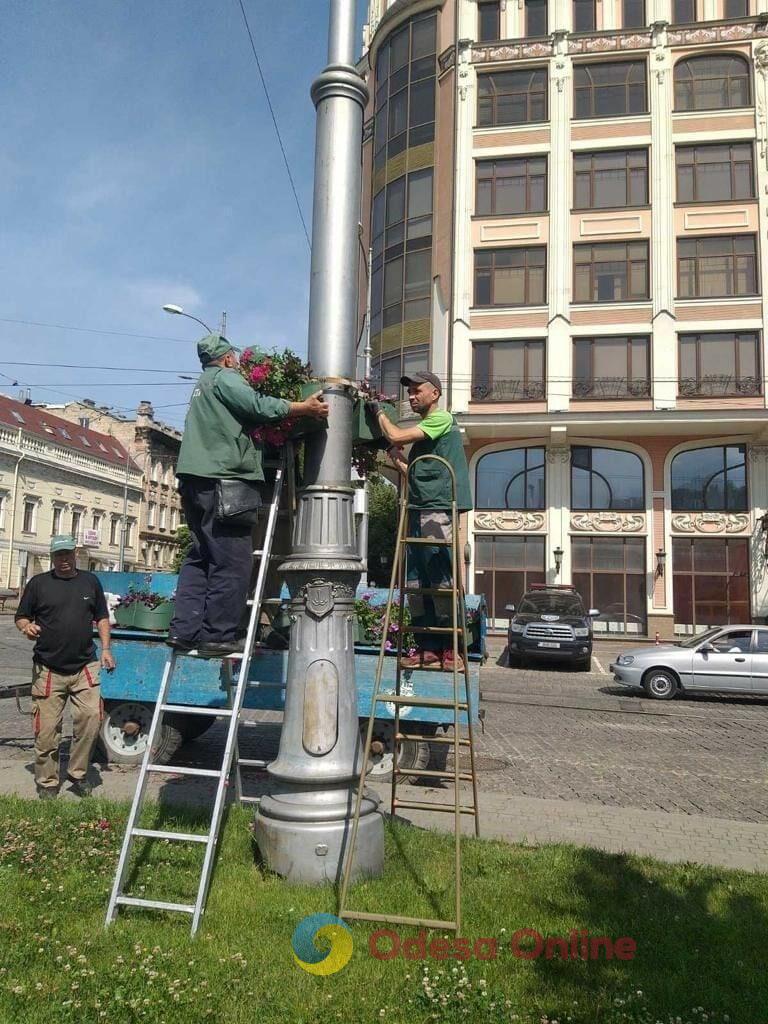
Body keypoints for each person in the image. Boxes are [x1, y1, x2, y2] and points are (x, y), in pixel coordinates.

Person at [169, 333, 328, 656]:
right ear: (227, 358)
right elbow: (256, 405)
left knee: (200, 557)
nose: (239, 363)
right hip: (223, 481)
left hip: (194, 481)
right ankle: (218, 635)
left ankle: (184, 631)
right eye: (235, 358)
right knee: (232, 562)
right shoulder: (225, 379)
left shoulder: (201, 386)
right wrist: (303, 407)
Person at [367, 371, 472, 669]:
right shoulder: (428, 438)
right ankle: (427, 647)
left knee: (439, 576)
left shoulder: (442, 420)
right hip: (418, 507)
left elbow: (398, 435)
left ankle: (451, 650)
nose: (411, 396)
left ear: (435, 394)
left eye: (417, 391)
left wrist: (378, 414)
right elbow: (409, 470)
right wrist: (388, 451)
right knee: (416, 578)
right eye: (409, 392)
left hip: (438, 508)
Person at [15, 535, 116, 799]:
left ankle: (78, 773)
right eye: (58, 555)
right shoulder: (39, 584)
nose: (63, 560)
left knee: (91, 720)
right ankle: (47, 782)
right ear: (52, 557)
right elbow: (21, 616)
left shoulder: (90, 581)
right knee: (47, 732)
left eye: (67, 554)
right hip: (48, 669)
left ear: (75, 554)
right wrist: (27, 627)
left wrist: (106, 649)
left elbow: (102, 617)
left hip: (84, 666)